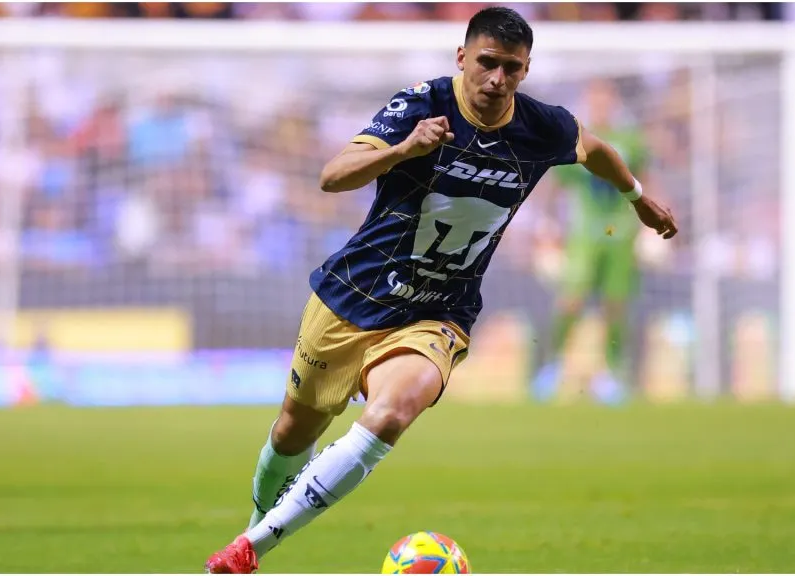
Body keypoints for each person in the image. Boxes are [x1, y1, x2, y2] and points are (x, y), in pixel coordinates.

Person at [205, 7, 678, 573]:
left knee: (389, 415)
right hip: (355, 296)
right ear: (462, 57)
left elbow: (595, 149)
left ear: (526, 70)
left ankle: (252, 549)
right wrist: (404, 150)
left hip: (439, 314)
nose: (497, 79)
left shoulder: (541, 126)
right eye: (487, 63)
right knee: (292, 431)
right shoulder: (421, 105)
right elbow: (333, 176)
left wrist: (637, 196)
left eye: (511, 68)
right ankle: (256, 524)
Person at [531, 78, 652, 404]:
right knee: (571, 300)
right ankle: (552, 366)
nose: (600, 103)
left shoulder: (631, 140)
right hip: (582, 234)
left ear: (613, 101)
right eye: (594, 97)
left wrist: (649, 223)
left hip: (620, 234)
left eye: (605, 97)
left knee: (615, 305)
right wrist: (546, 225)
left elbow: (646, 182)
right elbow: (556, 184)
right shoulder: (576, 137)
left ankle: (611, 375)